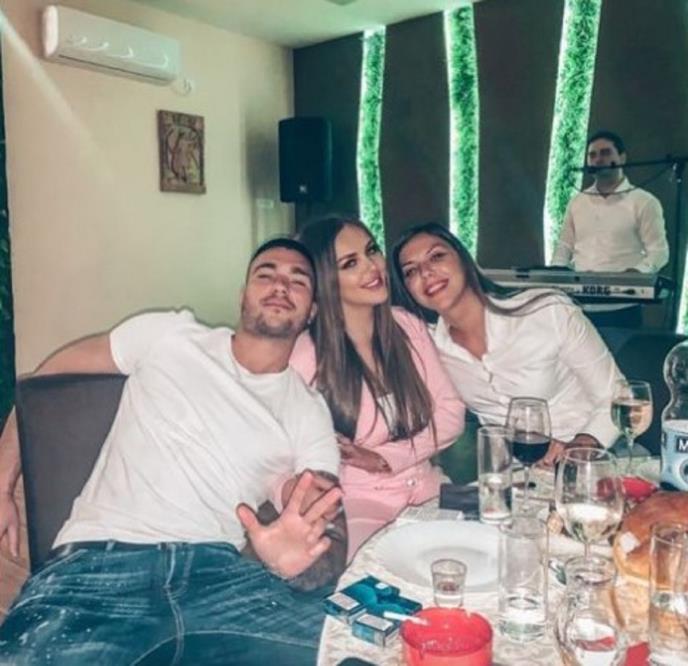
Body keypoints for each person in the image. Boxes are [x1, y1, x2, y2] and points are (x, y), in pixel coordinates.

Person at [0, 237, 346, 666]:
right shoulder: (171, 336)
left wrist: (294, 563)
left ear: (312, 311)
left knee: (354, 652)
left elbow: (324, 519)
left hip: (222, 579)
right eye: (266, 274)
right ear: (242, 295)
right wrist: (2, 482)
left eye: (298, 281)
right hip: (100, 567)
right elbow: (42, 383)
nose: (280, 285)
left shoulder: (308, 409)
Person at [291, 217, 465, 560]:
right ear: (325, 281)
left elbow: (452, 413)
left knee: (487, 552)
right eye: (350, 263)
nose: (372, 266)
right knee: (377, 571)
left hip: (429, 487)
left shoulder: (407, 326)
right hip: (362, 502)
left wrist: (384, 458)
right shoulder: (305, 356)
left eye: (371, 250)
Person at [391, 222, 624, 463]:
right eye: (411, 271)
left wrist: (583, 445)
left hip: (591, 462)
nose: (425, 272)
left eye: (436, 257)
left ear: (463, 259)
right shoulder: (428, 347)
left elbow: (616, 396)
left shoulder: (547, 311)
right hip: (510, 474)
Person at [551, 130, 670, 327]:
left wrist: (637, 273)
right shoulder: (578, 202)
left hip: (623, 307)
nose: (598, 159)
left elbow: (659, 252)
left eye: (605, 153)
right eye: (592, 155)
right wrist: (556, 275)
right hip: (578, 306)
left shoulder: (644, 202)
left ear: (622, 157)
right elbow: (564, 245)